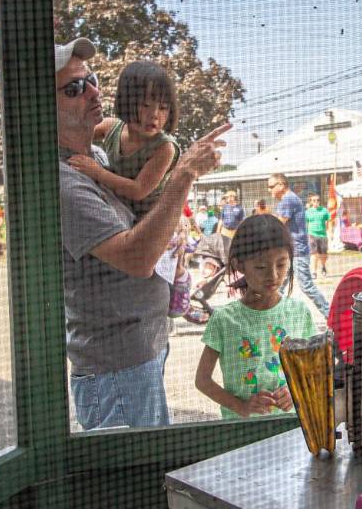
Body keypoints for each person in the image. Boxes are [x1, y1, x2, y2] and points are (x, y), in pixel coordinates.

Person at [55, 38, 228, 430]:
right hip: (115, 366)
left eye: (92, 80)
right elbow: (137, 258)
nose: (94, 91)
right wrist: (183, 174)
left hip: (140, 350)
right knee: (128, 485)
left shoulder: (98, 157)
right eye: (74, 88)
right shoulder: (66, 182)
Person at [67, 59, 196, 320]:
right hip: (127, 214)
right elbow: (82, 133)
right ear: (127, 101)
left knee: (167, 256)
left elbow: (139, 190)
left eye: (163, 108)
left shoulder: (164, 147)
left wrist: (96, 171)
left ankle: (182, 279)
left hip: (154, 215)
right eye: (146, 105)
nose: (154, 115)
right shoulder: (113, 128)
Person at [195, 214, 316, 419]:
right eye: (261, 267)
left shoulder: (299, 312)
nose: (273, 275)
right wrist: (241, 406)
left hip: (290, 426)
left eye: (281, 264)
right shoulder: (225, 320)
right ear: (239, 265)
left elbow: (314, 368)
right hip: (242, 432)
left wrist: (296, 390)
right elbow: (203, 380)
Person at [268, 173, 330, 317]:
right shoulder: (288, 199)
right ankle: (273, 318)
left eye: (271, 186)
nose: (269, 190)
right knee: (279, 287)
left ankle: (331, 316)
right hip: (290, 251)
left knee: (306, 286)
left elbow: (278, 225)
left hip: (297, 252)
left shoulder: (288, 200)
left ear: (281, 185)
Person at [305, 193, 331, 279]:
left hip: (323, 235)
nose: (316, 202)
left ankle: (323, 267)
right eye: (314, 200)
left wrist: (330, 232)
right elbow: (306, 223)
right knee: (314, 254)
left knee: (323, 255)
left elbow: (329, 221)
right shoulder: (308, 212)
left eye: (318, 200)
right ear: (311, 202)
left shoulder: (324, 210)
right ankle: (314, 272)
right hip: (312, 234)